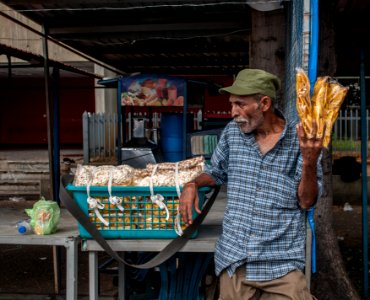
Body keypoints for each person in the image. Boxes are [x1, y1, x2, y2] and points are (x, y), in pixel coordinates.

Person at [179, 68, 323, 299]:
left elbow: (306, 202)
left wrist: (309, 161)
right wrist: (192, 184)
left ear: (264, 103)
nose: (233, 112)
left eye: (240, 104)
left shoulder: (301, 141)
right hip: (236, 260)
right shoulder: (232, 134)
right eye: (232, 104)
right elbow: (216, 172)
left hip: (281, 264)